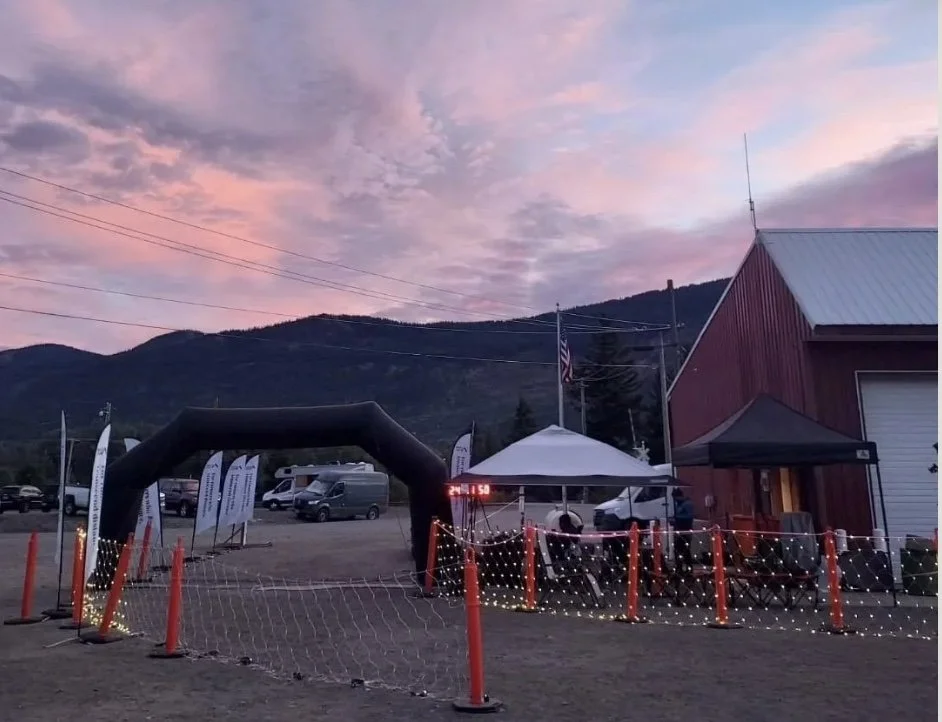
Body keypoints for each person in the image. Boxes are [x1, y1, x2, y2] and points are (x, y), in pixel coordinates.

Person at [670, 487, 695, 573]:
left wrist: (676, 518)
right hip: (680, 531)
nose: (675, 500)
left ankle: (687, 568)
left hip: (685, 531)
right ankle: (680, 567)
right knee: (679, 550)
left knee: (684, 550)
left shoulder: (687, 504)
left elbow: (688, 517)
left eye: (675, 498)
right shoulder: (680, 504)